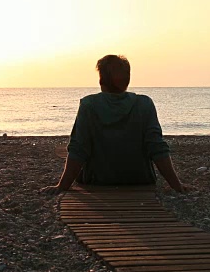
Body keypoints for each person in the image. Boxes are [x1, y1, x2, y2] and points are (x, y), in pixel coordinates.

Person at [40, 55, 192, 195]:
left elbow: (79, 148)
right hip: (139, 179)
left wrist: (62, 186)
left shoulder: (89, 105)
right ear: (127, 80)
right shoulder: (144, 104)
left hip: (98, 180)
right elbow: (157, 147)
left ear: (101, 81)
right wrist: (176, 184)